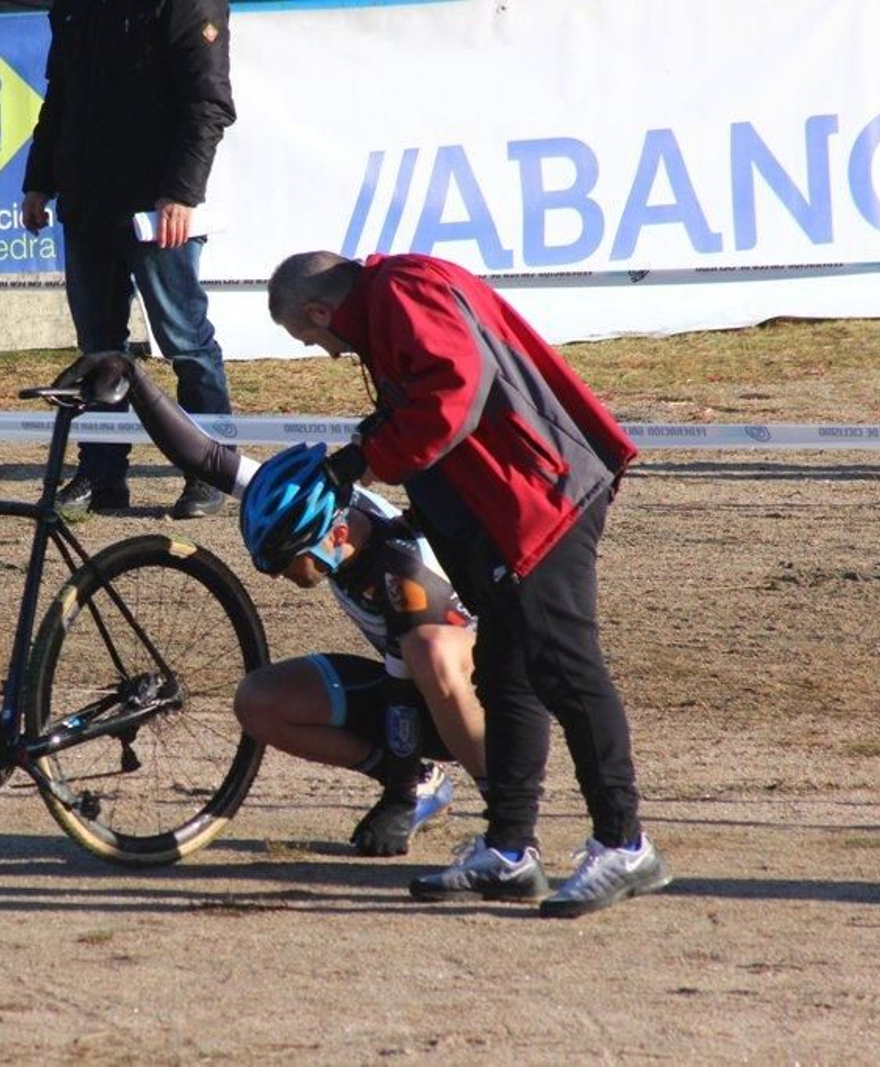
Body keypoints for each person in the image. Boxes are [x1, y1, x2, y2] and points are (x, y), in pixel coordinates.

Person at [266, 250, 672, 918]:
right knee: (508, 677)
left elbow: (454, 389)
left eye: (313, 339)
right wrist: (377, 453)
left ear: (319, 310)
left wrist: (366, 457)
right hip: (515, 503)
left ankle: (624, 842)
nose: (328, 352)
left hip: (539, 500)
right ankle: (510, 848)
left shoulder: (399, 292)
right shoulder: (400, 290)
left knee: (567, 670)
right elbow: (436, 393)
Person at [55, 351, 489, 856]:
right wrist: (134, 379)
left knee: (428, 656)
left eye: (283, 563)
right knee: (259, 701)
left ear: (336, 534)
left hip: (480, 701)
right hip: (413, 686)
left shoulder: (401, 573)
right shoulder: (310, 499)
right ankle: (420, 780)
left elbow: (402, 696)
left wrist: (396, 800)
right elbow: (208, 458)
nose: (278, 577)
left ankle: (506, 814)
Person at [22, 0, 237, 521]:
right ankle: (101, 473)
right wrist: (38, 181)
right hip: (87, 202)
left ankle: (211, 469)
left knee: (185, 340)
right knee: (97, 348)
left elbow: (208, 103)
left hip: (157, 208)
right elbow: (60, 97)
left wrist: (181, 193)